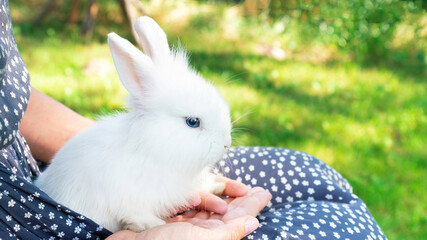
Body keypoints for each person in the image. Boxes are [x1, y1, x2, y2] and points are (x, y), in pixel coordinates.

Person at [1, 0, 387, 239]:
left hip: (24, 165)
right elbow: (131, 209)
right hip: (44, 224)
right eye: (192, 123)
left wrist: (192, 180)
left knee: (311, 176)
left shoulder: (139, 146)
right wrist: (147, 227)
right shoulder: (133, 152)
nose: (224, 141)